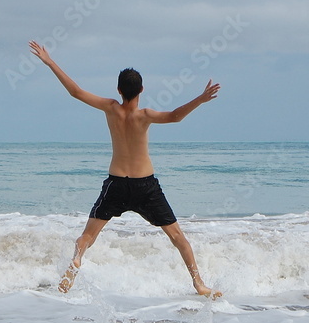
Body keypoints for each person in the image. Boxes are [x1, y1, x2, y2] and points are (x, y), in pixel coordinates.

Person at [28, 40, 222, 298]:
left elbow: (75, 92)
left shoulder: (110, 108)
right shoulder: (145, 116)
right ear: (142, 89)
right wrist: (200, 99)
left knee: (87, 237)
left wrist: (50, 61)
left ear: (118, 90)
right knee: (178, 237)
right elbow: (175, 116)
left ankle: (76, 262)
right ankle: (199, 284)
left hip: (117, 183)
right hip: (146, 185)